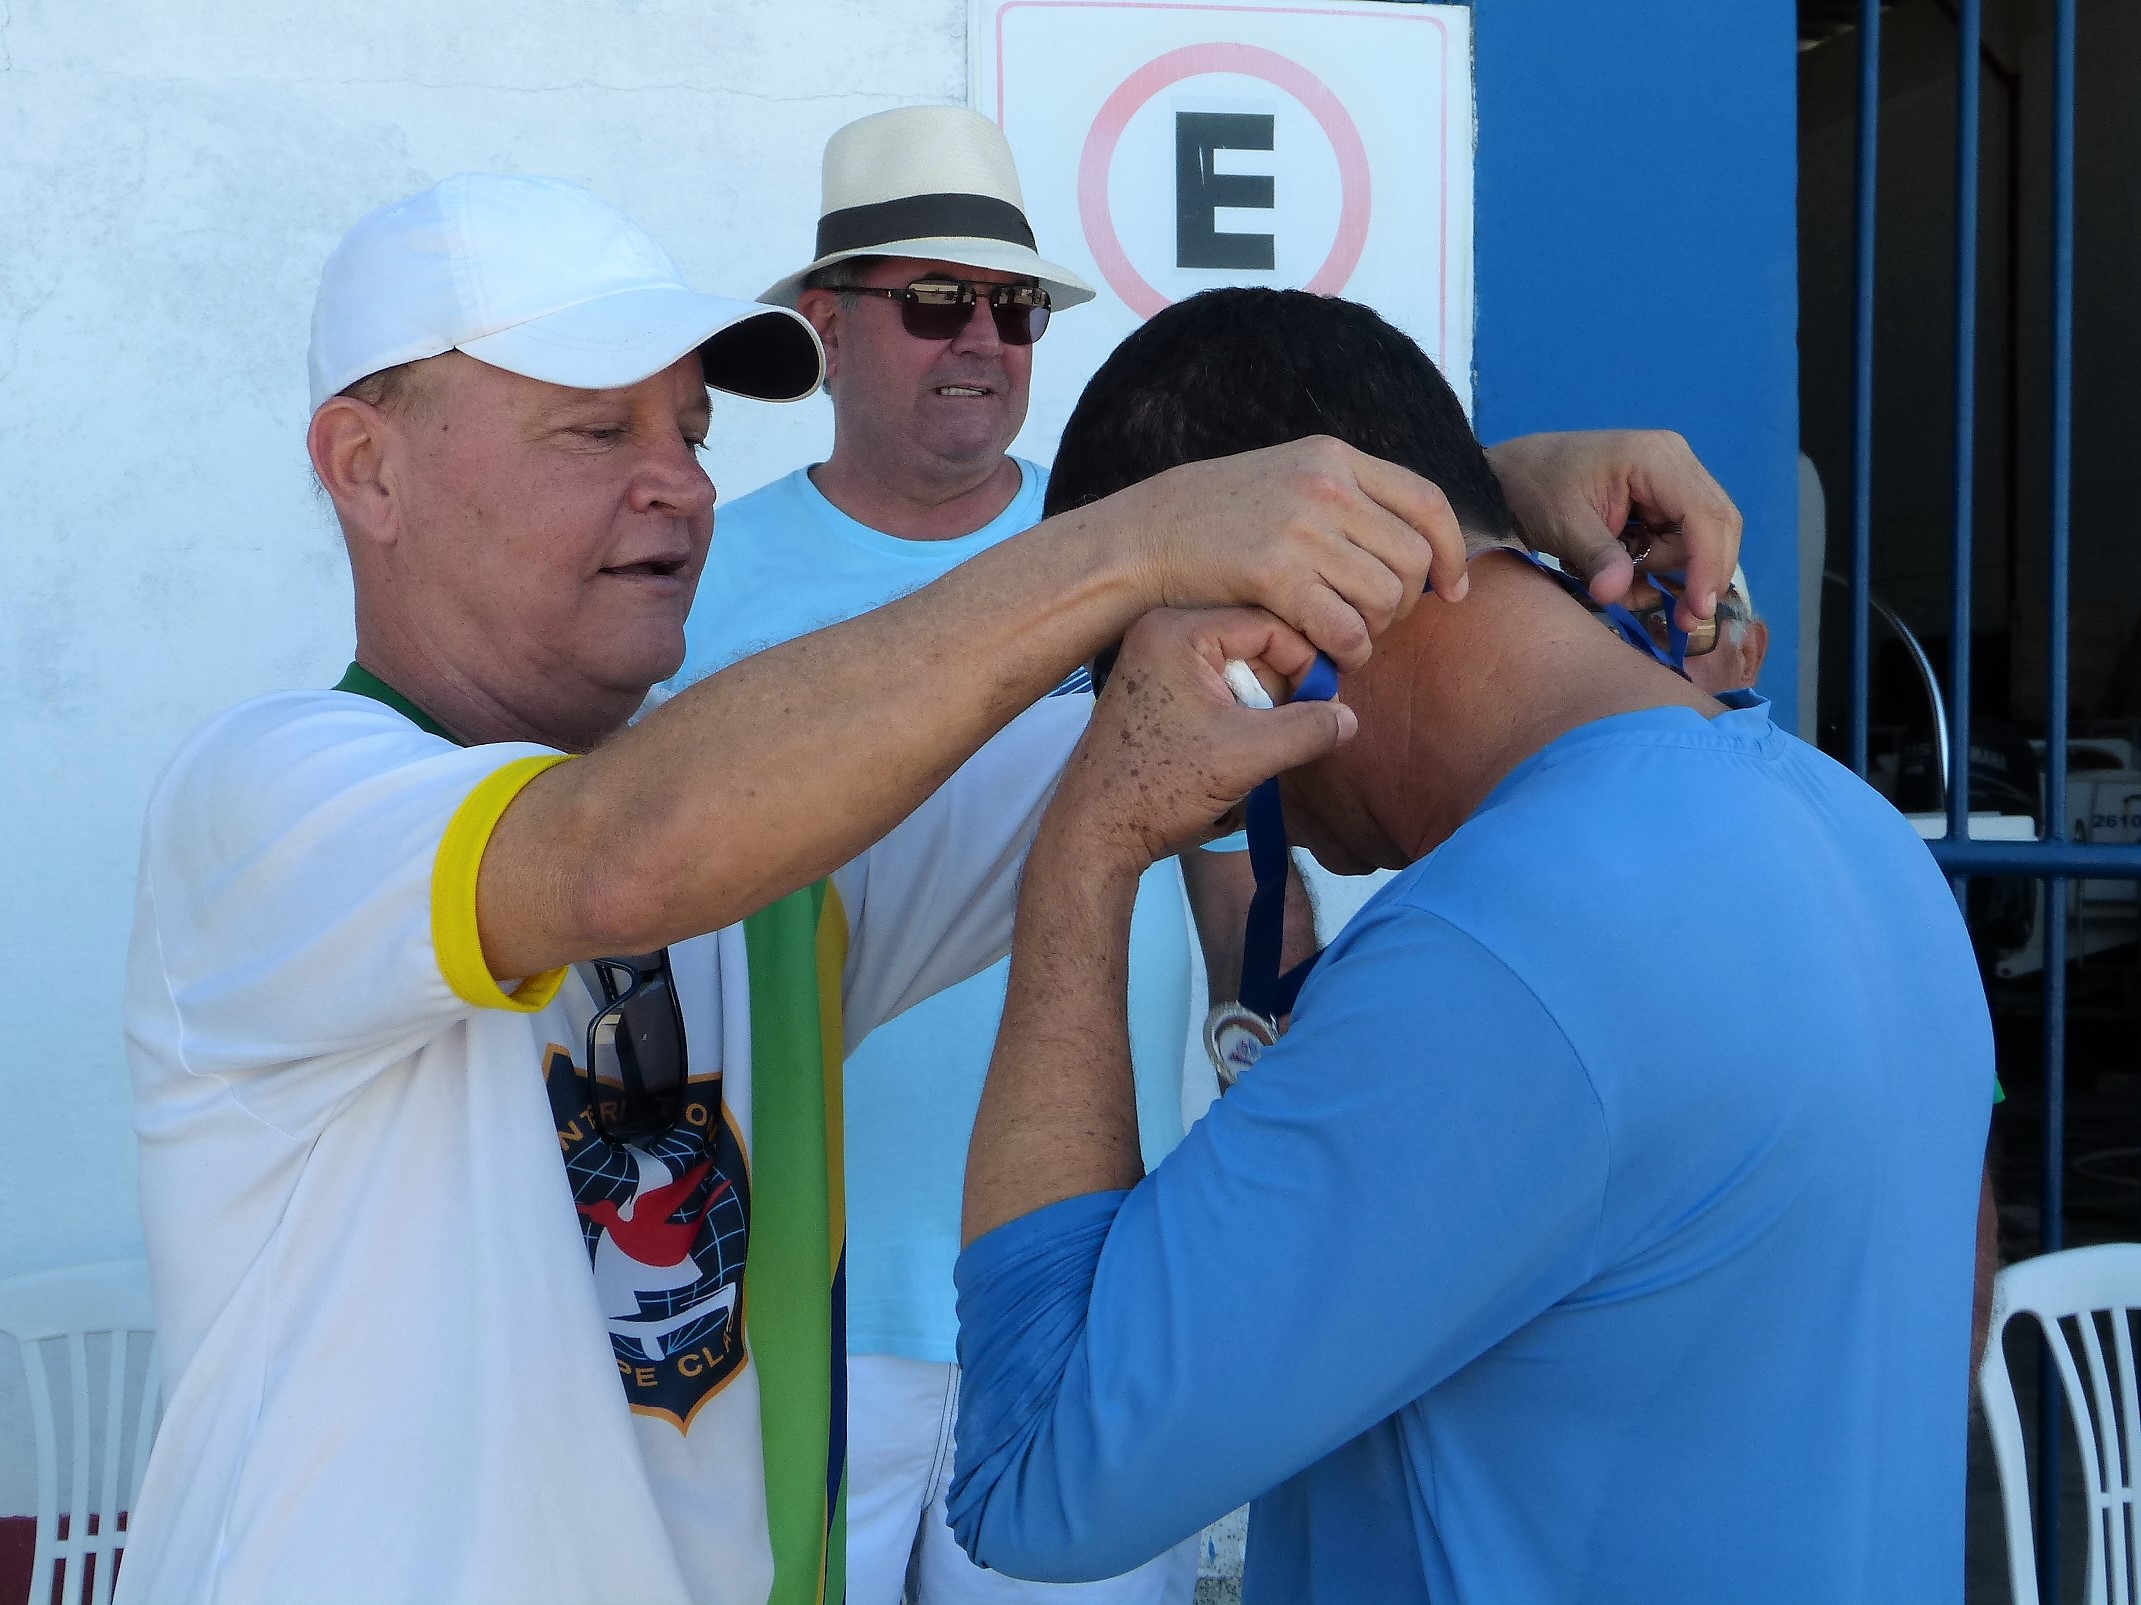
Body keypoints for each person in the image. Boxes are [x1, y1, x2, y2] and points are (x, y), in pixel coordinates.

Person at [118, 177, 1475, 1605]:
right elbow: (617, 852)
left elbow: (1168, 706)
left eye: (692, 434)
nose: (683, 485)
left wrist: (1486, 518)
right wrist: (1127, 539)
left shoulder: (774, 861)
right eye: (598, 431)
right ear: (367, 469)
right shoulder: (269, 801)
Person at [683, 105, 1754, 1605]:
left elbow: (1243, 823)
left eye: (1012, 306)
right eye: (933, 300)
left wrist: (1299, 1059)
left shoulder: (1152, 529)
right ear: (825, 322)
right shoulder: (703, 571)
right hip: (800, 1283)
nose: (980, 338)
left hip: (1089, 1243)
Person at [947, 289, 1995, 1602]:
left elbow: (1036, 1469)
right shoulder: (1854, 833)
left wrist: (1087, 845)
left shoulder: (1499, 954)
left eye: (1129, 674)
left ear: (1256, 635)